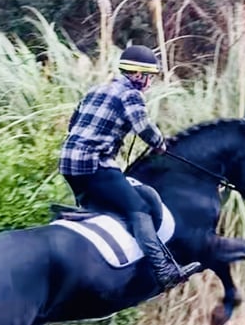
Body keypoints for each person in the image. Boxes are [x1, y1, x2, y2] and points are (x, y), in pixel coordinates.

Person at [58, 44, 200, 291]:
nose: (149, 82)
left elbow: (73, 124)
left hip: (69, 163)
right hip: (93, 164)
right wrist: (159, 144)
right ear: (136, 74)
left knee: (111, 201)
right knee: (139, 206)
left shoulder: (96, 89)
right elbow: (143, 126)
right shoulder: (130, 94)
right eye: (149, 77)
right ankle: (164, 271)